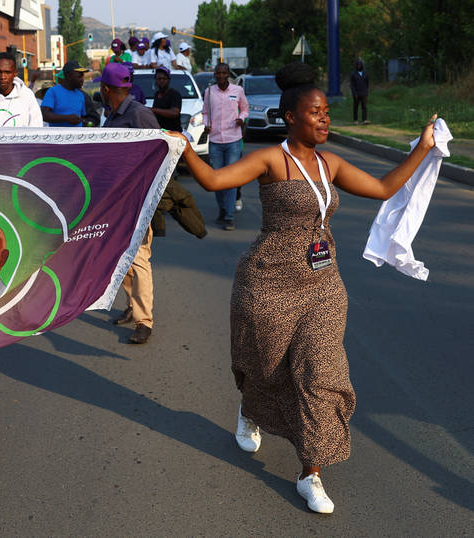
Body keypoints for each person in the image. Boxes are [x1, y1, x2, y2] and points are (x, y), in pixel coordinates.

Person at [172, 62, 436, 514]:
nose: (325, 119)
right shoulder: (271, 159)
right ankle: (250, 408)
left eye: (327, 112)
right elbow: (215, 180)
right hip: (268, 281)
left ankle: (310, 471)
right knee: (268, 366)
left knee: (320, 374)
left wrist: (424, 148)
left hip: (323, 285)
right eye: (315, 112)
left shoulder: (330, 163)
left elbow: (382, 187)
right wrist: (184, 148)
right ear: (291, 117)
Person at [99, 62, 160, 345]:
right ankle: (132, 305)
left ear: (106, 88)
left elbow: (158, 157)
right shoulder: (112, 115)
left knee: (139, 259)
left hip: (137, 201)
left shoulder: (140, 115)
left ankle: (144, 321)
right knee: (119, 259)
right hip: (115, 201)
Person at [202, 62, 248, 231]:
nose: (221, 76)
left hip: (233, 140)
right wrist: (207, 124)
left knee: (230, 179)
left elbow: (245, 109)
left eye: (224, 73)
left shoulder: (238, 91)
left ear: (229, 74)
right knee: (216, 179)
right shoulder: (209, 92)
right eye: (218, 73)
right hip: (215, 141)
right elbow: (205, 113)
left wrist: (241, 119)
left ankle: (228, 216)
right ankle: (223, 208)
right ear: (214, 74)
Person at [40, 60, 88, 127]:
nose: (82, 79)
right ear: (69, 76)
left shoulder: (81, 95)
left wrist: (84, 122)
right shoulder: (53, 91)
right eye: (79, 76)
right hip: (57, 136)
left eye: (82, 76)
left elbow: (82, 116)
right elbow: (44, 114)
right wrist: (67, 118)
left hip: (77, 136)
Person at [149, 66, 181, 132]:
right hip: (159, 133)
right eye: (159, 78)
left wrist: (153, 110)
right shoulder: (156, 94)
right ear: (156, 80)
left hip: (173, 133)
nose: (161, 81)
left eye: (164, 78)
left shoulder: (174, 94)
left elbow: (175, 113)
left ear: (169, 80)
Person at [349, 58, 370, 124]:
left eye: (360, 65)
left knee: (364, 107)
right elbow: (352, 85)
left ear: (362, 65)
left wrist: (366, 92)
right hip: (356, 93)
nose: (359, 66)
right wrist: (354, 93)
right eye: (358, 65)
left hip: (364, 92)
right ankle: (355, 120)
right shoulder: (353, 74)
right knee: (356, 107)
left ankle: (364, 120)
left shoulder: (365, 73)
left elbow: (367, 83)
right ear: (356, 66)